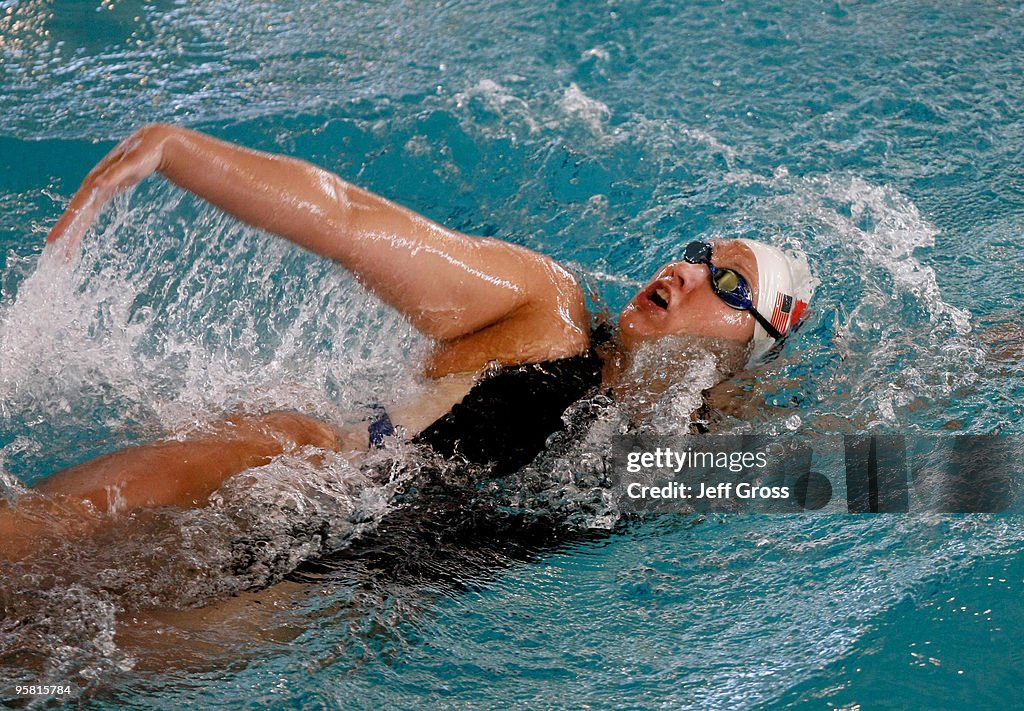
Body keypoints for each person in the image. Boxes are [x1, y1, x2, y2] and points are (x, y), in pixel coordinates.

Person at [1, 124, 814, 559]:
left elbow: (877, 474)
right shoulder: (545, 311)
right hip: (284, 465)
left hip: (328, 589)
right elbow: (356, 225)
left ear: (747, 352)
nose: (688, 271)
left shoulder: (682, 456)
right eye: (702, 253)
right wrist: (179, 149)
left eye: (730, 286)